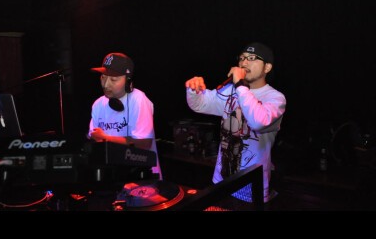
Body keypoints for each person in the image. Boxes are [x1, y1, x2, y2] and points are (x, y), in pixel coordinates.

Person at [185, 42, 286, 203]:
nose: (244, 63)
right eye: (242, 58)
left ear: (267, 67)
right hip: (221, 180)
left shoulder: (275, 98)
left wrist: (240, 85)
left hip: (251, 186)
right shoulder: (230, 90)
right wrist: (194, 90)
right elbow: (201, 104)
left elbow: (258, 122)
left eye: (252, 58)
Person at [88, 52, 162, 179]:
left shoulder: (138, 100)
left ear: (127, 81)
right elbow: (94, 140)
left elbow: (144, 144)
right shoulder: (98, 104)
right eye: (103, 77)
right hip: (112, 177)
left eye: (113, 79)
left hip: (142, 177)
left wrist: (106, 139)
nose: (106, 84)